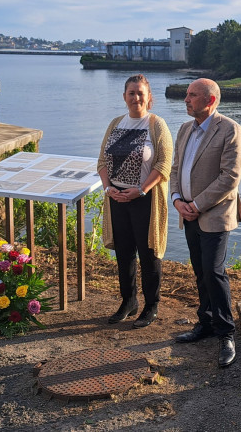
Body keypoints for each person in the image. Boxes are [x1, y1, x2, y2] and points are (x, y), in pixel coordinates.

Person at [170, 78, 241, 368]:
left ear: (210, 100)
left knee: (214, 272)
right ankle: (206, 322)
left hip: (214, 214)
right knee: (200, 271)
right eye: (187, 95)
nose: (186, 99)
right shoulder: (184, 129)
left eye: (192, 95)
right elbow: (176, 168)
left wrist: (197, 205)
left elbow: (230, 177)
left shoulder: (229, 129)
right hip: (187, 211)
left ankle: (226, 334)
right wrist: (177, 199)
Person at [97, 75, 172, 328]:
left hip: (145, 199)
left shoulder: (156, 125)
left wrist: (140, 190)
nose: (136, 97)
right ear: (124, 96)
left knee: (149, 253)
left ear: (149, 97)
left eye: (140, 93)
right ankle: (129, 301)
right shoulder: (116, 123)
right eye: (131, 93)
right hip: (117, 197)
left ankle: (152, 305)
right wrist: (108, 188)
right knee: (124, 253)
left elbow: (163, 165)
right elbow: (102, 162)